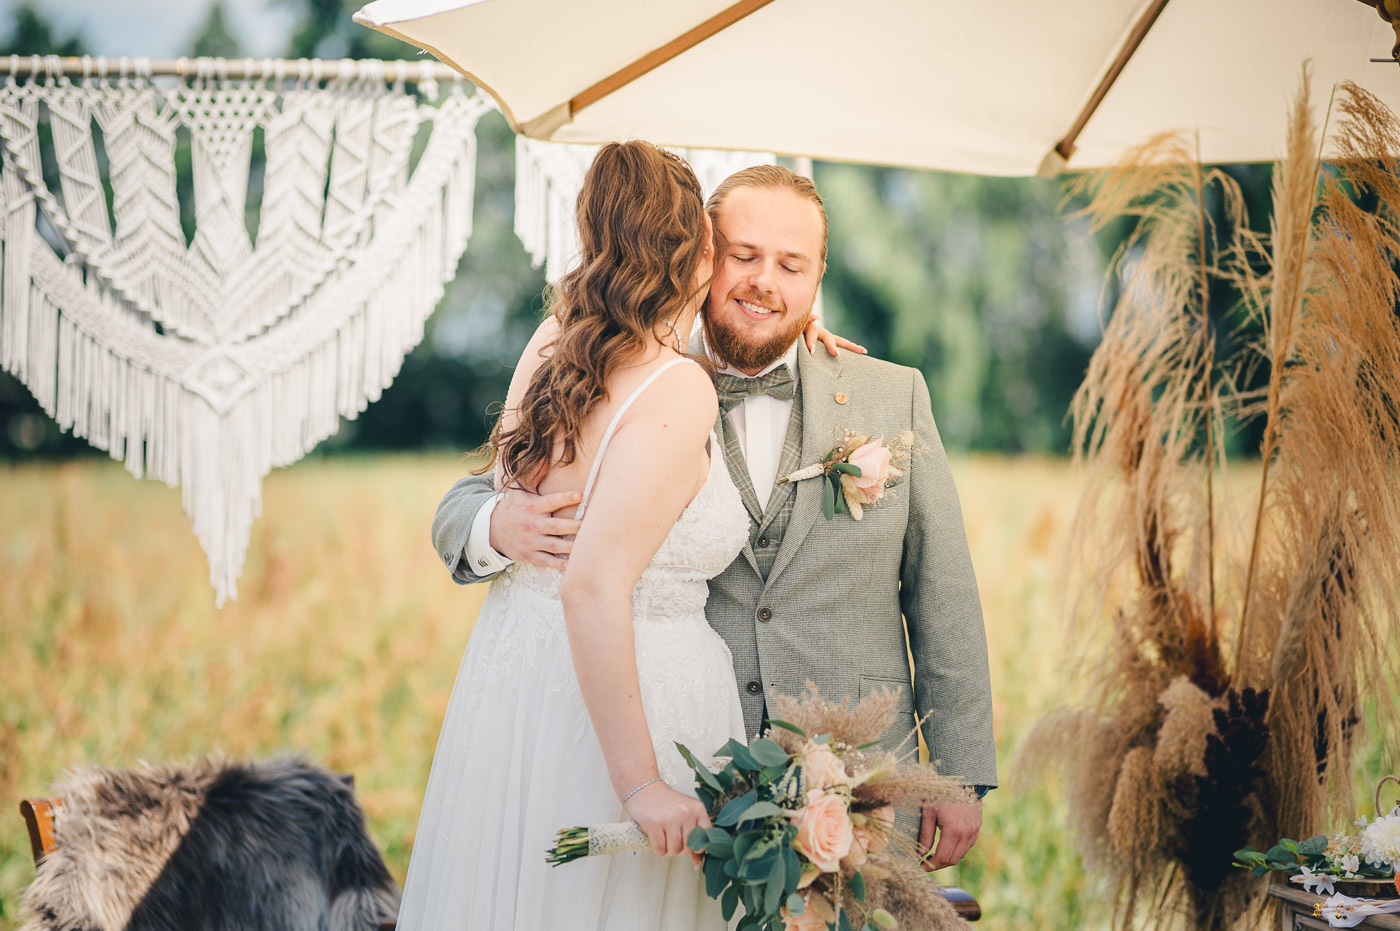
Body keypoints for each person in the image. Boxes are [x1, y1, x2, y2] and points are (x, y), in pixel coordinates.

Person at [435, 165, 998, 873]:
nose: (764, 282)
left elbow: (943, 593)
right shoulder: (632, 371)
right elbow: (477, 491)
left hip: (861, 788)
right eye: (745, 256)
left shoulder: (894, 396)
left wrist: (958, 772)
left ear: (819, 276)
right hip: (697, 774)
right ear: (701, 255)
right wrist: (494, 524)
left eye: (791, 265)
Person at [399, 141, 761, 930]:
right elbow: (591, 585)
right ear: (701, 243)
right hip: (630, 711)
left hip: (520, 689)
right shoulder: (677, 389)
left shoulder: (552, 344)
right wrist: (642, 784)